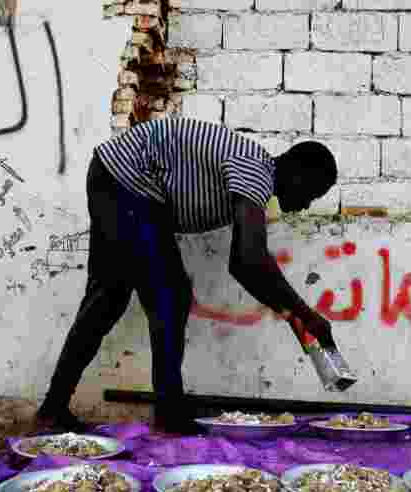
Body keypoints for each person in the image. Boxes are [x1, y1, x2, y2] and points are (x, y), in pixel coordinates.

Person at [34, 118, 338, 433]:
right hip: (130, 181)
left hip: (116, 176)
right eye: (312, 194)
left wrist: (293, 315)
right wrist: (305, 314)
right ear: (298, 175)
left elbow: (247, 266)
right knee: (168, 295)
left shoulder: (254, 171)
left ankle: (52, 409)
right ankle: (168, 414)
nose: (305, 206)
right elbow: (248, 261)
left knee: (108, 299)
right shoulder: (257, 172)